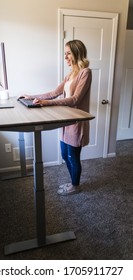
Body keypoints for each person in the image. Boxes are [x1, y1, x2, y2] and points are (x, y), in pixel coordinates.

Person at [21, 39, 92, 195]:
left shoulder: (85, 73)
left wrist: (46, 103)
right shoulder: (69, 75)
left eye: (68, 54)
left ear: (76, 53)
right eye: (65, 54)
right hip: (65, 121)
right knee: (64, 155)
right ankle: (73, 181)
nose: (65, 57)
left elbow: (75, 100)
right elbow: (54, 93)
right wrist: (31, 96)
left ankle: (75, 185)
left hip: (76, 121)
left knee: (73, 157)